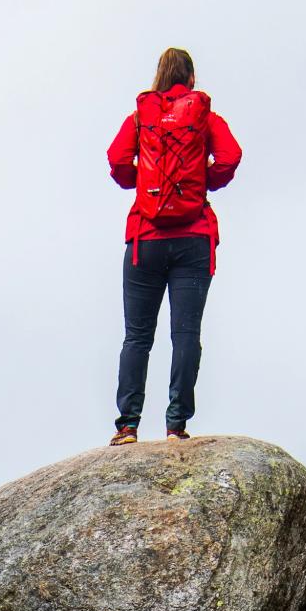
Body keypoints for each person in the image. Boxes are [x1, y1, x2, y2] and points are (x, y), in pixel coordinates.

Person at [104, 46, 241, 446]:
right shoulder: (205, 116)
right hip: (193, 238)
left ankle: (127, 426)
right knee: (185, 334)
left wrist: (142, 187)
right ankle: (175, 426)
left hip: (145, 239)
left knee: (137, 337)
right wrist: (203, 182)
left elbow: (116, 160)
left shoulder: (140, 117)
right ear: (192, 79)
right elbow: (231, 156)